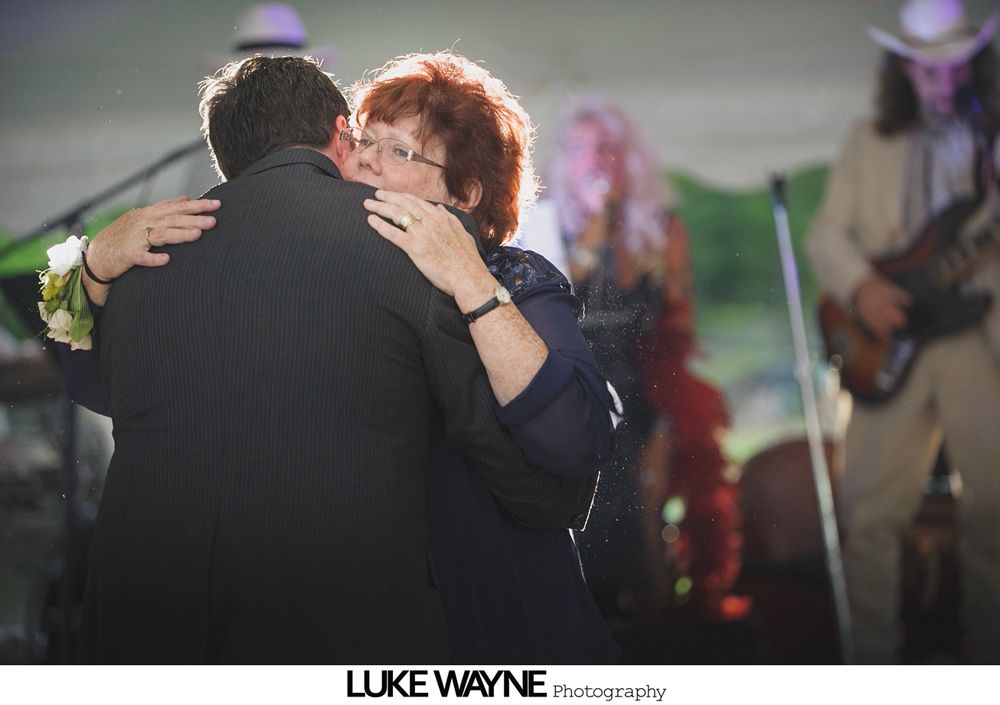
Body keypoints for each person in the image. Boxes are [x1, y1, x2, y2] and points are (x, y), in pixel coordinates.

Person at [61, 53, 619, 663]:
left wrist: (471, 284)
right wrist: (92, 271)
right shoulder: (356, 259)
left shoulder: (509, 276)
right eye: (364, 139)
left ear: (466, 193)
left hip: (481, 588)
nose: (367, 160)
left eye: (400, 152)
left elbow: (571, 442)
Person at [806, 0, 1000, 663]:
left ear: (975, 65)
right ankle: (874, 670)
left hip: (982, 338)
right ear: (904, 70)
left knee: (995, 513)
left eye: (953, 69)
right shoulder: (869, 139)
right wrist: (861, 284)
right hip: (889, 344)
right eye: (927, 71)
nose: (941, 84)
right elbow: (826, 233)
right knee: (868, 515)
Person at [537, 97, 741, 623]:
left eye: (605, 147)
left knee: (646, 514)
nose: (592, 160)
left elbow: (676, 325)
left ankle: (654, 618)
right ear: (563, 161)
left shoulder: (659, 229)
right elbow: (551, 299)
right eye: (579, 148)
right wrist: (594, 230)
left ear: (628, 159)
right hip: (571, 388)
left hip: (642, 390)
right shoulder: (542, 224)